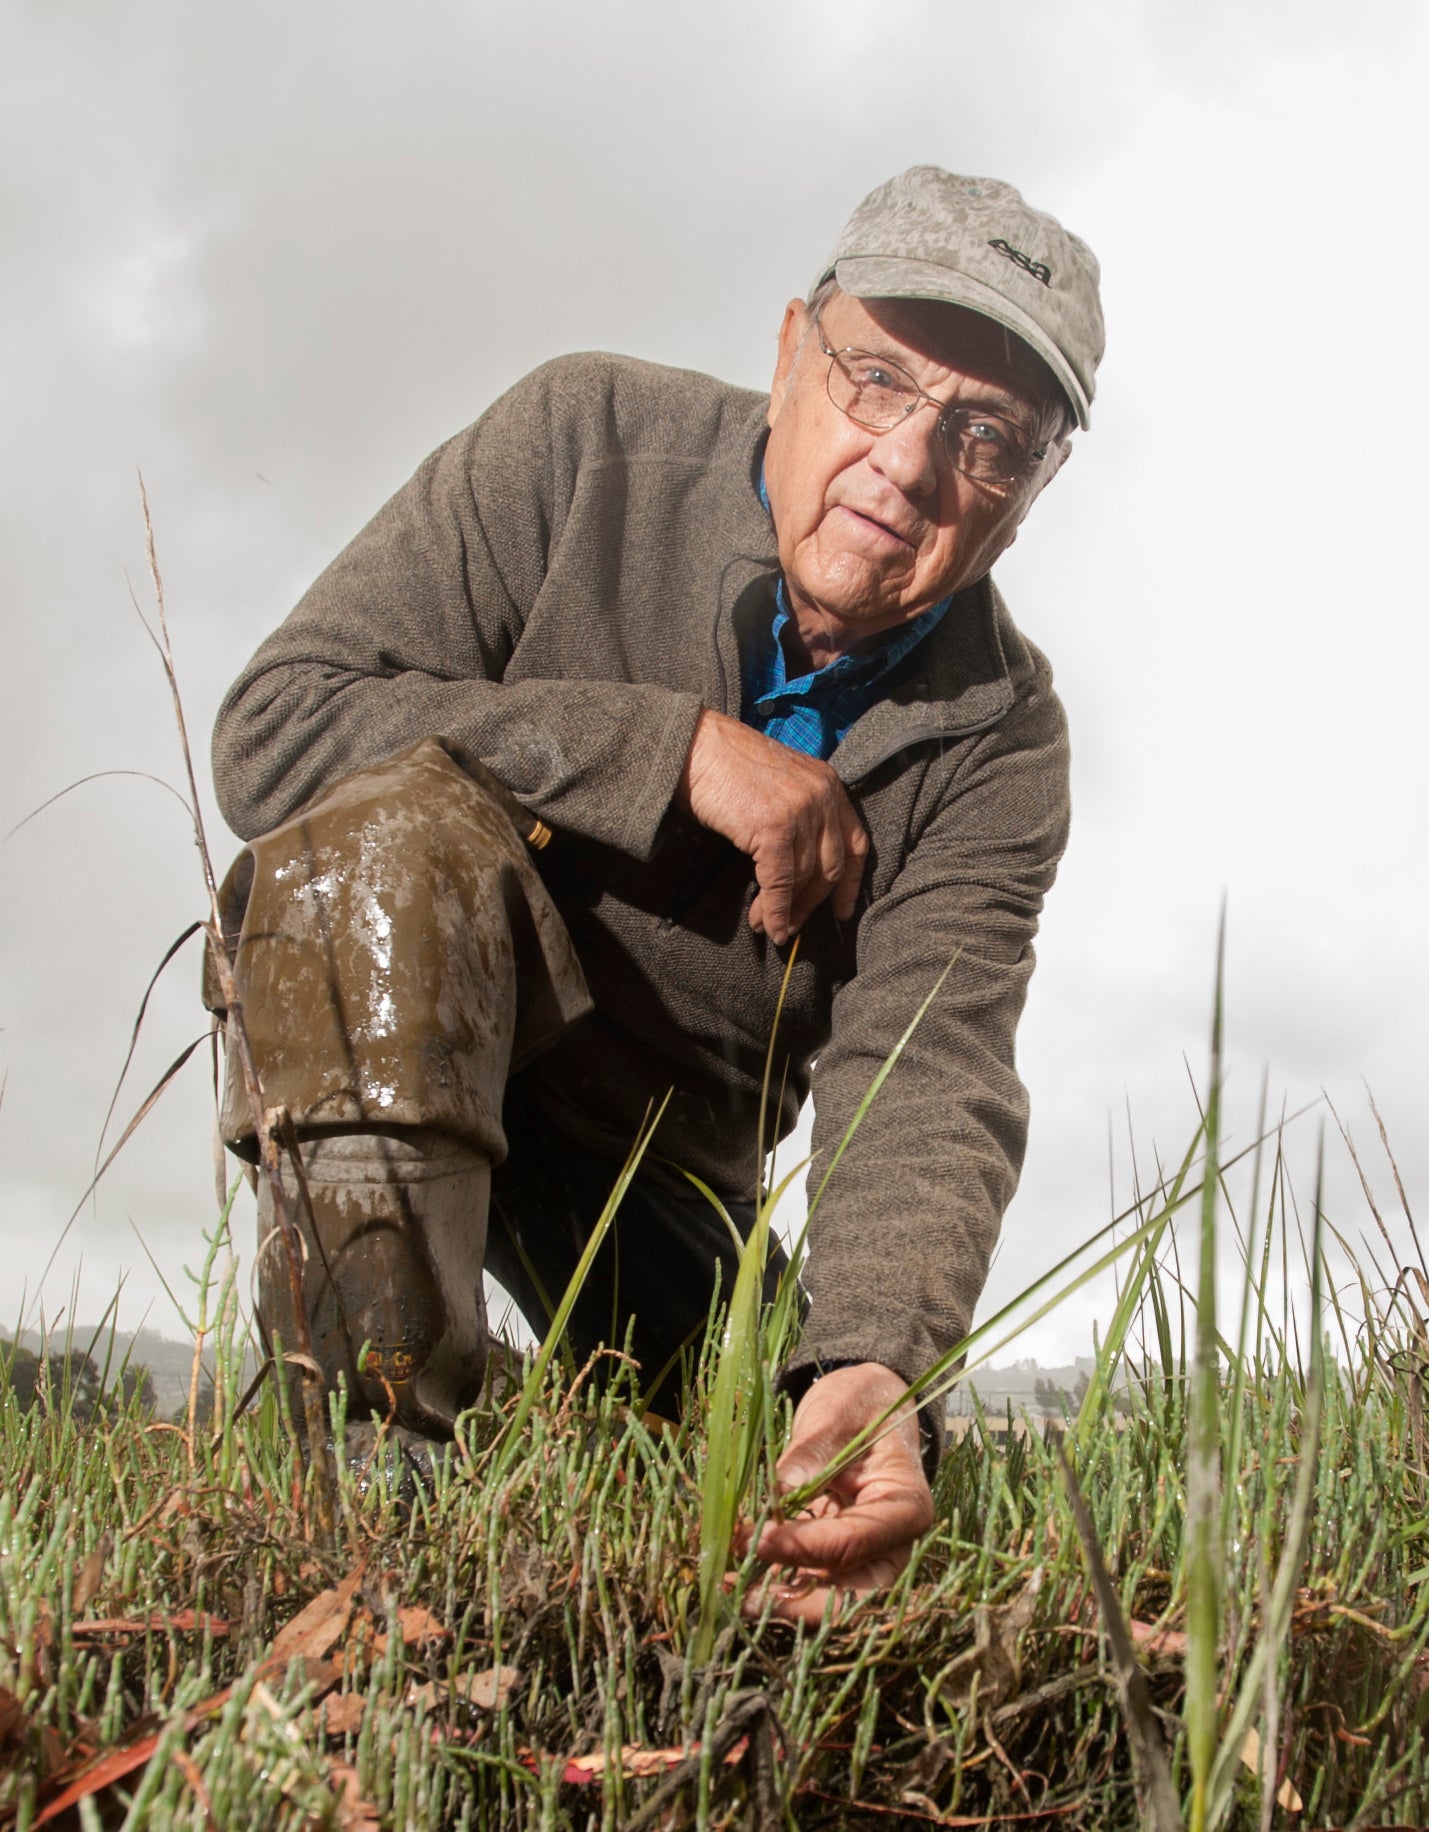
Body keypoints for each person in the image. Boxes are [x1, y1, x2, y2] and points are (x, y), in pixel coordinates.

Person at [208, 165, 1104, 1619]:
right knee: (374, 857)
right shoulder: (582, 442)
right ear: (786, 353)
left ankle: (526, 1405)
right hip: (422, 1037)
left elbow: (926, 1063)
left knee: (770, 1498)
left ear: (1036, 485)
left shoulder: (1002, 735)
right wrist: (671, 750)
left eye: (986, 435)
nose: (906, 462)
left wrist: (870, 1362)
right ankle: (362, 1516)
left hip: (663, 1171)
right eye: (874, 380)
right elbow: (282, 723)